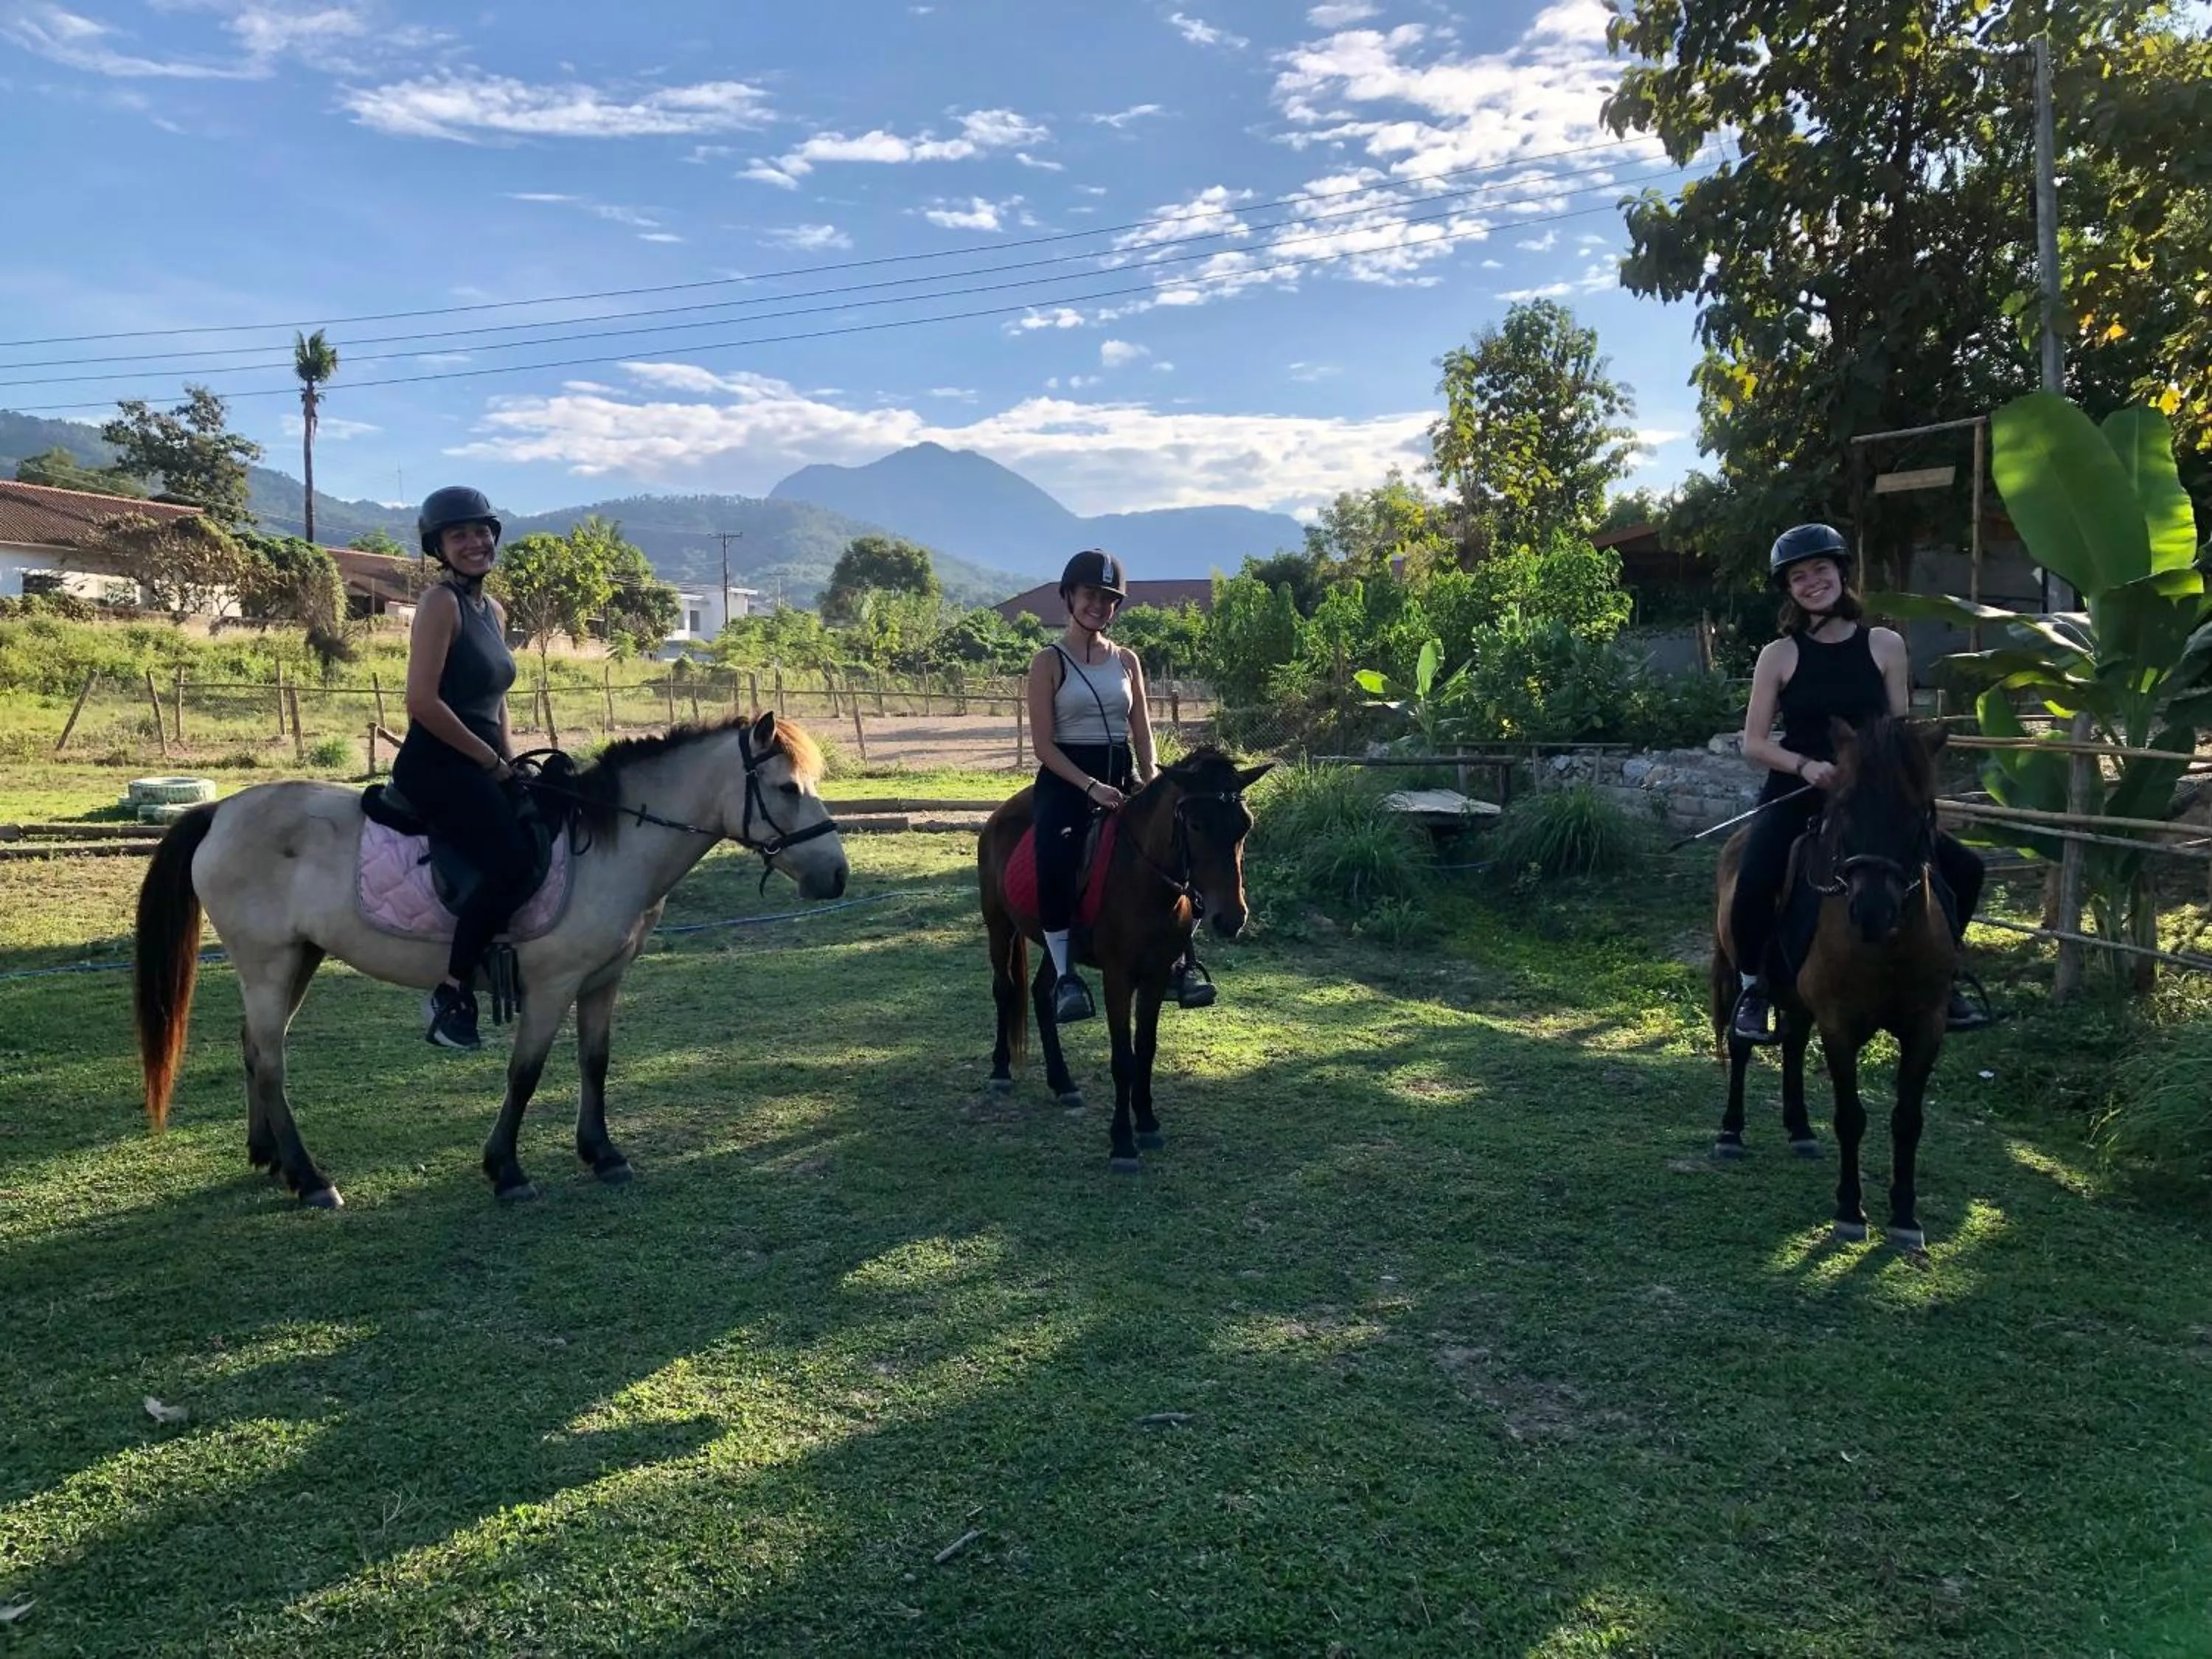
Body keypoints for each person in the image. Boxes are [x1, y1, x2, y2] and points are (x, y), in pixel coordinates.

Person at [1728, 523, 1990, 1044]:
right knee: (1755, 876)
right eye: (1798, 577)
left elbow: (1898, 730)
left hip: (1873, 800)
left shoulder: (1885, 644)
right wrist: (1805, 766)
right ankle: (1754, 990)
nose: (1811, 583)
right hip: (1801, 788)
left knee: (1965, 868)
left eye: (1820, 570)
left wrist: (1904, 775)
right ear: (1789, 590)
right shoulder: (1778, 656)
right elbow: (1753, 743)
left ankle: (1946, 978)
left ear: (1841, 573)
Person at [1025, 549, 1214, 1023]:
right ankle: (1066, 974)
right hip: (1067, 779)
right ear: (1069, 596)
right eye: (1091, 595)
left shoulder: (1128, 660)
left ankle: (1184, 962)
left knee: (1179, 850)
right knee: (1053, 856)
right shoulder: (1048, 662)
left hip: (1121, 772)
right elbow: (1044, 745)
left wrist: (1152, 779)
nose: (1100, 606)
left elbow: (1142, 730)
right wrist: (1089, 788)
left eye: (1110, 599)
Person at [392, 485, 534, 1051]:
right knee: (511, 863)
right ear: (440, 548)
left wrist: (512, 760)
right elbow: (423, 702)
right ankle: (452, 991)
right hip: (438, 765)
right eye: (460, 535)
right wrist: (490, 763)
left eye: (482, 531)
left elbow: (496, 698)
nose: (475, 542)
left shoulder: (493, 611)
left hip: (485, 762)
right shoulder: (439, 604)